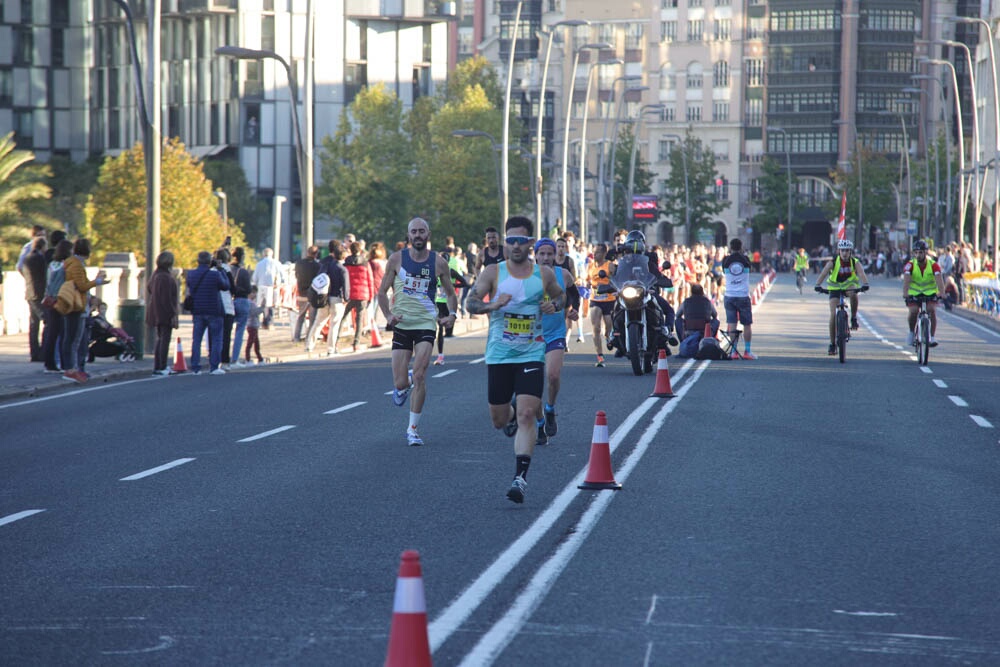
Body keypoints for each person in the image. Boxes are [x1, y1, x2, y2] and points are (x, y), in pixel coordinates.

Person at [465, 217, 565, 504]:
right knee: (499, 420)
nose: (516, 246)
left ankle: (519, 478)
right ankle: (508, 412)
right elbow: (470, 302)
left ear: (531, 243)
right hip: (499, 354)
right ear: (506, 242)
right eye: (511, 241)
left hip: (531, 352)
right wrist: (490, 305)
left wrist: (553, 305)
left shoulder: (542, 275)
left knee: (527, 415)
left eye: (521, 241)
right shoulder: (493, 272)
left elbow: (561, 298)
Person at [377, 217, 458, 446]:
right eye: (414, 231)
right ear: (409, 235)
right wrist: (388, 316)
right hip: (402, 324)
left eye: (422, 231)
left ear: (428, 234)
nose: (418, 235)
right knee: (401, 382)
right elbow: (382, 292)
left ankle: (412, 429)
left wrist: (452, 315)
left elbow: (450, 293)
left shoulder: (439, 262)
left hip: (425, 323)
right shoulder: (395, 259)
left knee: (421, 374)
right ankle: (404, 384)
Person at [531, 238, 579, 445]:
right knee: (532, 387)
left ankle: (549, 409)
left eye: (549, 254)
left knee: (552, 375)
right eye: (541, 253)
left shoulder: (563, 275)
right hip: (530, 337)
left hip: (555, 333)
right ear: (535, 255)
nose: (546, 257)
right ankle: (540, 422)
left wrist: (574, 309)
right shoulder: (526, 277)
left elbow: (574, 295)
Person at [61, 238, 108, 383]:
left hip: (74, 304)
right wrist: (97, 282)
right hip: (77, 306)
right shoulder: (76, 265)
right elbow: (81, 286)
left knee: (72, 339)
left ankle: (72, 368)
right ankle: (71, 369)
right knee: (74, 340)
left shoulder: (71, 263)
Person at [814, 239, 871, 355]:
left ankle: (854, 318)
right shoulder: (833, 262)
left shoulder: (855, 262)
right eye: (842, 250)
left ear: (850, 252)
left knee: (854, 294)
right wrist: (817, 285)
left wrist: (865, 284)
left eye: (847, 251)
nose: (845, 253)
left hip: (849, 286)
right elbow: (823, 273)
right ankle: (832, 344)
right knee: (833, 315)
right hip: (834, 288)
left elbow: (861, 273)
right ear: (839, 251)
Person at [186, 251, 231, 375]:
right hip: (214, 310)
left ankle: (195, 367)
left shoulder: (191, 274)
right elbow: (226, 286)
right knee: (216, 339)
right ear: (210, 261)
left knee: (197, 339)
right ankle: (214, 366)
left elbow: (189, 288)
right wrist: (221, 269)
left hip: (198, 310)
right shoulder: (215, 275)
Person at [308, 240, 350, 355]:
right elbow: (346, 287)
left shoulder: (326, 265)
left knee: (318, 322)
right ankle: (331, 349)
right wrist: (346, 299)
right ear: (343, 256)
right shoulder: (343, 270)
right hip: (337, 298)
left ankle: (309, 345)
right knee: (334, 324)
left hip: (325, 297)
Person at [902, 239, 945, 346]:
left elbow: (939, 280)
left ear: (925, 252)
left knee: (932, 310)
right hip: (914, 292)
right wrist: (905, 293)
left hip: (930, 292)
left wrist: (942, 292)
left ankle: (932, 337)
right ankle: (912, 333)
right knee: (914, 311)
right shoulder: (910, 265)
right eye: (916, 252)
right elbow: (906, 280)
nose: (918, 255)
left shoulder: (934, 265)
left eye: (920, 252)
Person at [337, 241, 376, 353]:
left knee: (342, 318)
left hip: (349, 294)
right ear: (360, 250)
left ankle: (336, 341)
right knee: (359, 320)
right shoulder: (365, 263)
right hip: (363, 294)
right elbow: (370, 280)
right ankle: (356, 343)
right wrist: (371, 296)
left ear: (350, 250)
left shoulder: (346, 263)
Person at [432, 246, 469, 365]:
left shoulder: (450, 271)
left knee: (441, 328)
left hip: (447, 302)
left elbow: (464, 282)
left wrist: (452, 286)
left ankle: (440, 356)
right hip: (436, 302)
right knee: (437, 328)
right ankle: (439, 355)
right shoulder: (433, 271)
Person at [146, 251, 179, 375]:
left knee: (160, 338)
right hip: (163, 312)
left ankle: (159, 365)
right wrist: (172, 314)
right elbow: (167, 299)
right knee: (164, 339)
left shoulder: (156, 275)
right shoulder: (165, 277)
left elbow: (150, 289)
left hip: (156, 311)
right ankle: (161, 366)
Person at [42, 239, 73, 373]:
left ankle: (49, 362)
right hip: (61, 300)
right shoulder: (66, 266)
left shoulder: (52, 265)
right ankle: (61, 362)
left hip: (50, 300)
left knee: (52, 333)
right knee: (63, 333)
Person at [722, 238, 756, 360]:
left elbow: (723, 272)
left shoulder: (726, 260)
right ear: (741, 247)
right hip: (743, 295)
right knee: (747, 324)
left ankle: (734, 352)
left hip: (729, 295)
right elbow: (750, 270)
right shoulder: (745, 259)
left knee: (732, 324)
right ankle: (747, 351)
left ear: (730, 247)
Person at [586, 242, 615, 367]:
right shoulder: (591, 266)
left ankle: (608, 337)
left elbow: (615, 281)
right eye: (594, 251)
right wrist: (588, 284)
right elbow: (588, 280)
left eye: (597, 252)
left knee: (609, 325)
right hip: (595, 299)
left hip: (609, 300)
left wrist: (606, 285)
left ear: (604, 254)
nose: (594, 254)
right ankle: (600, 356)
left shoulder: (610, 266)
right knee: (596, 328)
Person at [21, 236, 47, 362]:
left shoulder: (27, 258)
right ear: (42, 246)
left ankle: (34, 353)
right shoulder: (40, 258)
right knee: (47, 321)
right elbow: (44, 276)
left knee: (33, 324)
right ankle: (43, 352)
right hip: (39, 294)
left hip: (30, 293)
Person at [230, 247, 253, 367]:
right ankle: (235, 359)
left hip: (229, 301)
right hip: (242, 300)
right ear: (242, 257)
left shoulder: (228, 269)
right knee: (239, 332)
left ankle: (222, 358)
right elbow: (249, 289)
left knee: (225, 331)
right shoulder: (243, 272)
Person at [293, 245, 321, 342]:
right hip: (313, 294)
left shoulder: (299, 263)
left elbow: (296, 275)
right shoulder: (317, 266)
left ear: (307, 252)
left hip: (301, 293)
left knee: (301, 317)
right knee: (312, 319)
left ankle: (296, 337)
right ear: (316, 254)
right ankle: (309, 338)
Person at [251, 247, 282, 328]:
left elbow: (254, 277)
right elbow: (281, 276)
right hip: (272, 286)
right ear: (272, 254)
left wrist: (256, 284)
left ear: (263, 254)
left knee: (260, 304)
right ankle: (269, 323)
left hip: (261, 286)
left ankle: (260, 322)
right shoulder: (276, 263)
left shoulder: (259, 264)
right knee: (270, 305)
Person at [244, 287, 266, 364]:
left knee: (256, 343)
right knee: (251, 343)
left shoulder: (251, 303)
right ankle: (248, 358)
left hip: (254, 325)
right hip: (251, 325)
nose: (254, 295)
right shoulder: (250, 303)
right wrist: (262, 307)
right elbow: (254, 312)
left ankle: (260, 358)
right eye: (252, 293)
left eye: (255, 293)